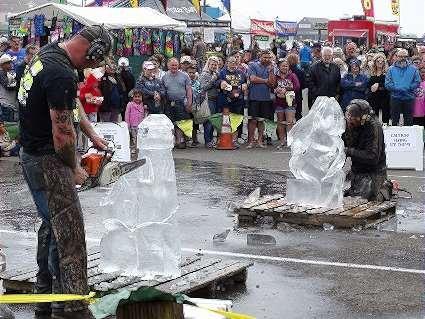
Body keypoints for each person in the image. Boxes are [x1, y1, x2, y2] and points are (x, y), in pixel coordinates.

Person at [17, 25, 111, 319]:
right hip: (47, 160)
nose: (93, 66)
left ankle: (44, 293)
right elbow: (62, 134)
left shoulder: (49, 54)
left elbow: (69, 105)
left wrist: (93, 135)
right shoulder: (60, 74)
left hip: (32, 153)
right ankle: (70, 305)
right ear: (89, 49)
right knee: (69, 232)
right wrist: (73, 168)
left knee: (51, 224)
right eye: (94, 60)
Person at [343, 99, 392, 201]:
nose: (350, 121)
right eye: (349, 118)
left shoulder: (374, 127)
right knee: (343, 193)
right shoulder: (349, 124)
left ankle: (383, 186)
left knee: (361, 198)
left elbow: (372, 157)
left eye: (354, 119)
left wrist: (349, 151)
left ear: (363, 118)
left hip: (373, 171)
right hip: (357, 170)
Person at [385, 48, 421, 126]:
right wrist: (398, 88)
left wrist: (408, 88)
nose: (402, 58)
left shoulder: (414, 69)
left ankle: (408, 137)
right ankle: (394, 136)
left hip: (409, 98)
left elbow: (417, 82)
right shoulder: (390, 69)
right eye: (400, 56)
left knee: (409, 119)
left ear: (407, 57)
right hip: (395, 98)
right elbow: (387, 83)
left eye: (405, 56)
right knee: (394, 119)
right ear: (397, 57)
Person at [247, 50, 275, 148]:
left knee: (261, 120)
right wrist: (265, 80)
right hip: (254, 97)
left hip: (266, 98)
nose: (267, 59)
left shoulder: (271, 67)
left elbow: (272, 83)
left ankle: (259, 141)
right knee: (253, 120)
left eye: (268, 57)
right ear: (260, 57)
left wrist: (271, 71)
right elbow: (253, 79)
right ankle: (250, 141)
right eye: (264, 57)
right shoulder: (253, 65)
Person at [162, 57, 192, 148]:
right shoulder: (164, 76)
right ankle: (172, 141)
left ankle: (179, 141)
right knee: (170, 123)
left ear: (178, 65)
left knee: (180, 122)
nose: (174, 67)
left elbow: (189, 90)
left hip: (181, 102)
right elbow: (163, 90)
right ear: (168, 66)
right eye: (172, 65)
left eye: (175, 65)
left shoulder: (185, 76)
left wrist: (189, 103)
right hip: (169, 102)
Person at [217, 56, 248, 146]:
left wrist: (245, 85)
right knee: (224, 121)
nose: (233, 64)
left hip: (238, 100)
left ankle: (234, 140)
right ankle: (222, 139)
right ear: (227, 63)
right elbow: (217, 82)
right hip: (226, 99)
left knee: (236, 120)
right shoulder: (222, 72)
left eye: (235, 62)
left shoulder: (241, 72)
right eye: (231, 62)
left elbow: (245, 82)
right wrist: (221, 83)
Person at [273, 58, 300, 149]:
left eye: (286, 66)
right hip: (279, 102)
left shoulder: (292, 75)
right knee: (280, 122)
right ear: (279, 67)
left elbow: (297, 87)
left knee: (289, 122)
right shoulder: (276, 76)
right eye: (283, 66)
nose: (285, 67)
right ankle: (282, 141)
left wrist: (286, 89)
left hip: (290, 102)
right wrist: (276, 89)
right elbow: (272, 86)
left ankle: (290, 140)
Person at [199, 56, 220, 148]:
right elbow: (203, 87)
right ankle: (208, 141)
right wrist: (213, 79)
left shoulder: (216, 73)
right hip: (208, 100)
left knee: (213, 120)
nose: (214, 66)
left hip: (216, 99)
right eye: (212, 64)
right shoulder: (204, 74)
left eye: (215, 65)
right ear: (208, 64)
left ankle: (210, 140)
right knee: (209, 121)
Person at [367, 53, 390, 124]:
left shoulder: (388, 72)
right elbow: (369, 85)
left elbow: (388, 85)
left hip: (384, 98)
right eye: (378, 61)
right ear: (375, 62)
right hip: (373, 98)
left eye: (382, 61)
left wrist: (378, 85)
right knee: (374, 120)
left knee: (385, 119)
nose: (380, 63)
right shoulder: (371, 72)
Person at [287, 53, 306, 120]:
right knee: (298, 113)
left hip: (287, 94)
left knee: (288, 112)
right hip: (298, 94)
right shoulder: (301, 71)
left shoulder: (286, 71)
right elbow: (304, 85)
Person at [0, 54, 17, 122]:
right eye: (9, 63)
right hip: (5, 104)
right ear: (3, 65)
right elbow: (8, 86)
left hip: (9, 104)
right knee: (8, 126)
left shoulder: (7, 73)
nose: (11, 65)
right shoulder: (1, 73)